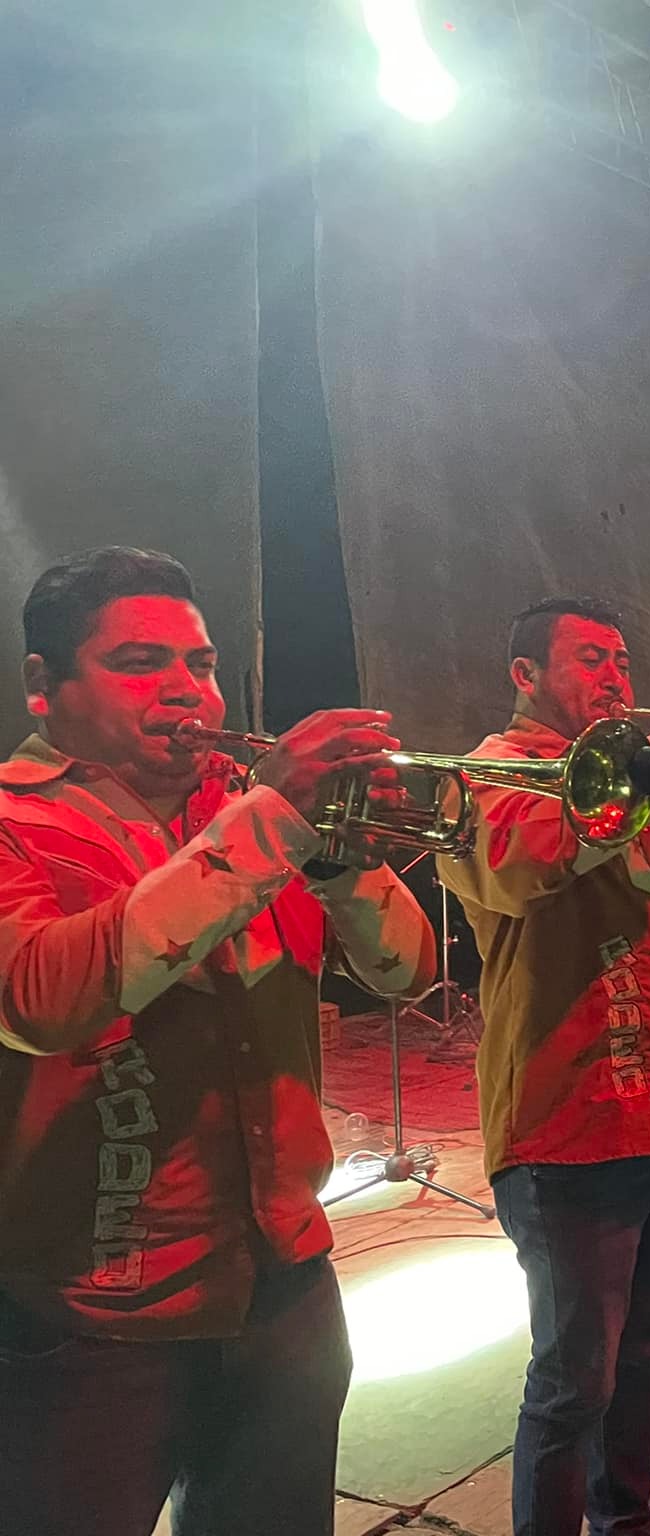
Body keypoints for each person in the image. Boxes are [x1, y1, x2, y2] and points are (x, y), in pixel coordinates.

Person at [0, 546, 436, 1534]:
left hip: (285, 1281)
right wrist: (272, 820)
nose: (185, 692)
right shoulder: (17, 821)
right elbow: (41, 1001)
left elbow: (407, 972)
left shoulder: (245, 818)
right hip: (92, 1311)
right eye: (138, 663)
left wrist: (342, 867)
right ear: (43, 683)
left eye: (198, 665)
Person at [437, 597, 650, 1536]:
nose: (615, 675)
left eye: (621, 658)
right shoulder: (489, 775)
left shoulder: (646, 774)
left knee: (644, 1351)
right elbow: (527, 865)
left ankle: (628, 1519)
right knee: (573, 1380)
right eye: (589, 658)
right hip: (571, 1126)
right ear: (525, 675)